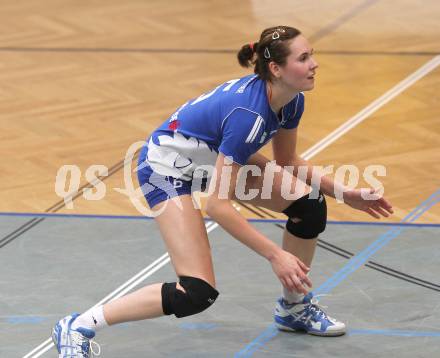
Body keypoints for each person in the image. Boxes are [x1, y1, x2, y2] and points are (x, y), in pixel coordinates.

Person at [52, 25, 393, 357]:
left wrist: (344, 193)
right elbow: (218, 206)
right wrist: (276, 255)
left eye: (312, 55)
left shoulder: (291, 101)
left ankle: (294, 309)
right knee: (196, 292)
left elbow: (286, 160)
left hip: (210, 157)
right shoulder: (249, 114)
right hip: (165, 169)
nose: (314, 64)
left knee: (310, 202)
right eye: (303, 58)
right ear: (276, 68)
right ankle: (79, 325)